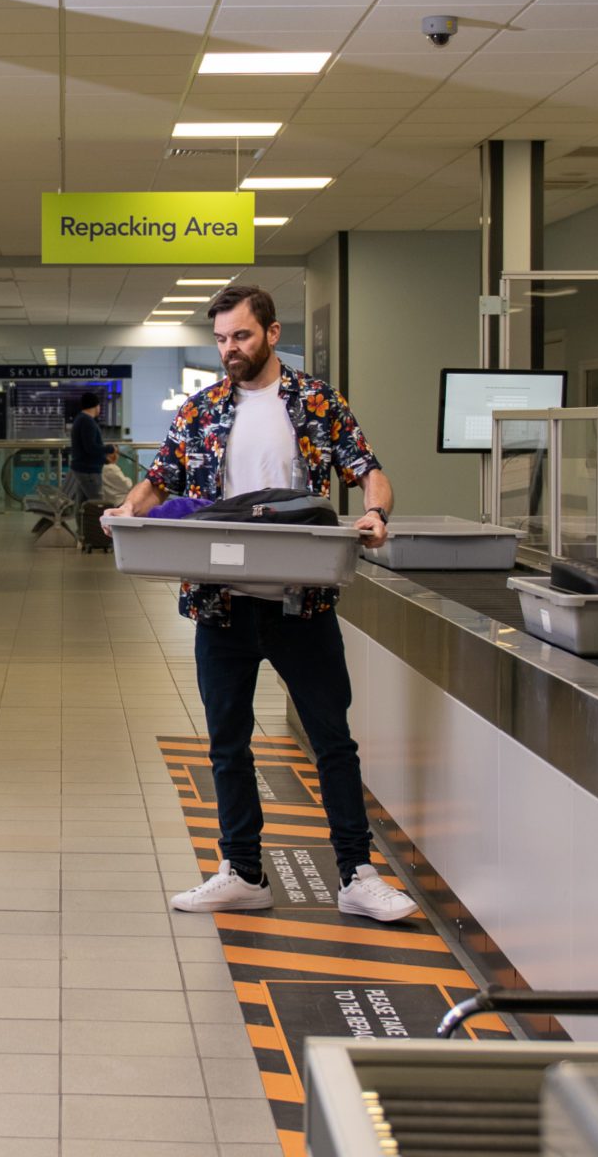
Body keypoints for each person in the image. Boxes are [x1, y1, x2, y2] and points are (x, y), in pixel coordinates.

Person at [105, 284, 417, 924]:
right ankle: (243, 872)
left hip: (302, 606)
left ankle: (357, 875)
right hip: (221, 607)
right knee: (227, 743)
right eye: (221, 339)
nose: (230, 350)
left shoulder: (315, 403)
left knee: (332, 741)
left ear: (272, 334)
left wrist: (377, 513)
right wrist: (126, 510)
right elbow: (159, 477)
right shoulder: (202, 410)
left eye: (241, 336)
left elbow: (368, 469)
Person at [69, 390, 108, 501]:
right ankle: (96, 519)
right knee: (97, 503)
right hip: (89, 470)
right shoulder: (87, 422)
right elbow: (91, 447)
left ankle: (81, 519)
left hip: (82, 468)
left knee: (82, 502)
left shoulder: (80, 419)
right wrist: (108, 449)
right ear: (95, 406)